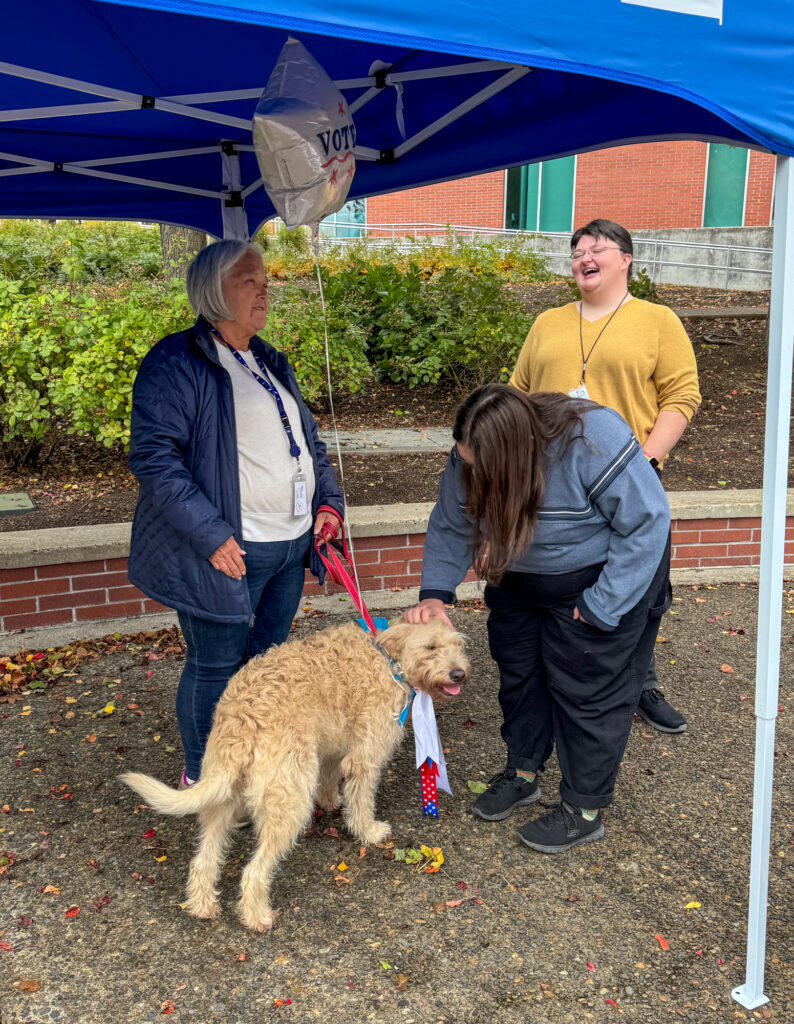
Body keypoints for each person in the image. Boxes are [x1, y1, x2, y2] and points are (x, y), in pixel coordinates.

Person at [406, 384, 670, 853]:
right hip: (520, 578)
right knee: (521, 677)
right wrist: (435, 594)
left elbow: (647, 522)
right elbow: (451, 522)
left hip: (600, 577)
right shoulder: (470, 455)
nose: (469, 471)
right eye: (464, 462)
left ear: (514, 454)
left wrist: (602, 604)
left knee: (588, 690)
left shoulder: (593, 437)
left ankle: (583, 809)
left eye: (478, 466)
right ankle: (523, 772)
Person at [128, 240, 343, 788]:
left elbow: (309, 443)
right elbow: (156, 460)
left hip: (290, 546)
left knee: (263, 667)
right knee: (214, 668)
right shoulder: (176, 361)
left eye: (264, 277)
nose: (264, 287)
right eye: (249, 279)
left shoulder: (269, 360)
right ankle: (206, 781)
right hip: (226, 552)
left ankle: (248, 767)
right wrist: (209, 535)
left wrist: (327, 504)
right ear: (213, 290)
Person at [510, 218, 700, 734]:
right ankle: (563, 685)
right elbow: (518, 395)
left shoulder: (657, 320)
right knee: (564, 589)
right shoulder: (547, 323)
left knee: (642, 589)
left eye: (596, 249)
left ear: (626, 259)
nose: (584, 258)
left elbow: (681, 396)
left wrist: (648, 462)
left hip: (626, 483)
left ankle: (642, 683)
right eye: (576, 251)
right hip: (553, 491)